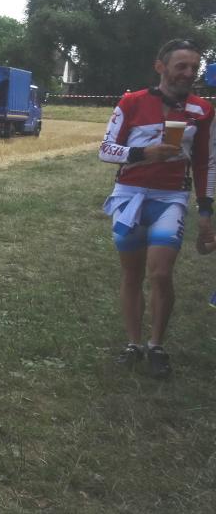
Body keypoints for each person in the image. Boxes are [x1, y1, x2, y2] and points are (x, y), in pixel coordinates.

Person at [99, 39, 215, 378]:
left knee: (161, 273)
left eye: (194, 67)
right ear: (161, 67)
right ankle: (134, 344)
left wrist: (205, 211)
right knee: (132, 273)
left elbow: (206, 163)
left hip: (171, 198)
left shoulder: (202, 110)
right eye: (181, 66)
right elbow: (105, 149)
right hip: (129, 196)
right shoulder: (132, 101)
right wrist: (142, 153)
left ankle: (156, 345)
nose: (189, 73)